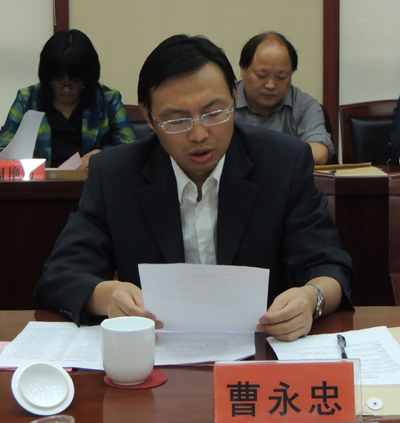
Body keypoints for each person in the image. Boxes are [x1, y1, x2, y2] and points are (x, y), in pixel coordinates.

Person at [35, 34, 353, 342]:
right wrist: (107, 296)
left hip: (262, 350)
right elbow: (61, 274)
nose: (199, 134)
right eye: (177, 120)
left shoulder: (283, 163)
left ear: (233, 94)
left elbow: (328, 264)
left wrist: (312, 298)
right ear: (148, 115)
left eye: (214, 113)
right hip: (156, 354)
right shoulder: (116, 174)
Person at [0, 29, 136, 169]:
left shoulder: (107, 99)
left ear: (88, 78)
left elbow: (130, 148)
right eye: (58, 82)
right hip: (39, 181)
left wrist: (101, 153)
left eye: (75, 83)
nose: (66, 89)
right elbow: (3, 150)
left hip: (92, 181)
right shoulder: (27, 99)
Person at [235, 31, 335, 165]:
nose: (271, 85)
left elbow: (319, 153)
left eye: (281, 77)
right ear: (242, 68)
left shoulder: (305, 105)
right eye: (261, 75)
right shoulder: (223, 102)